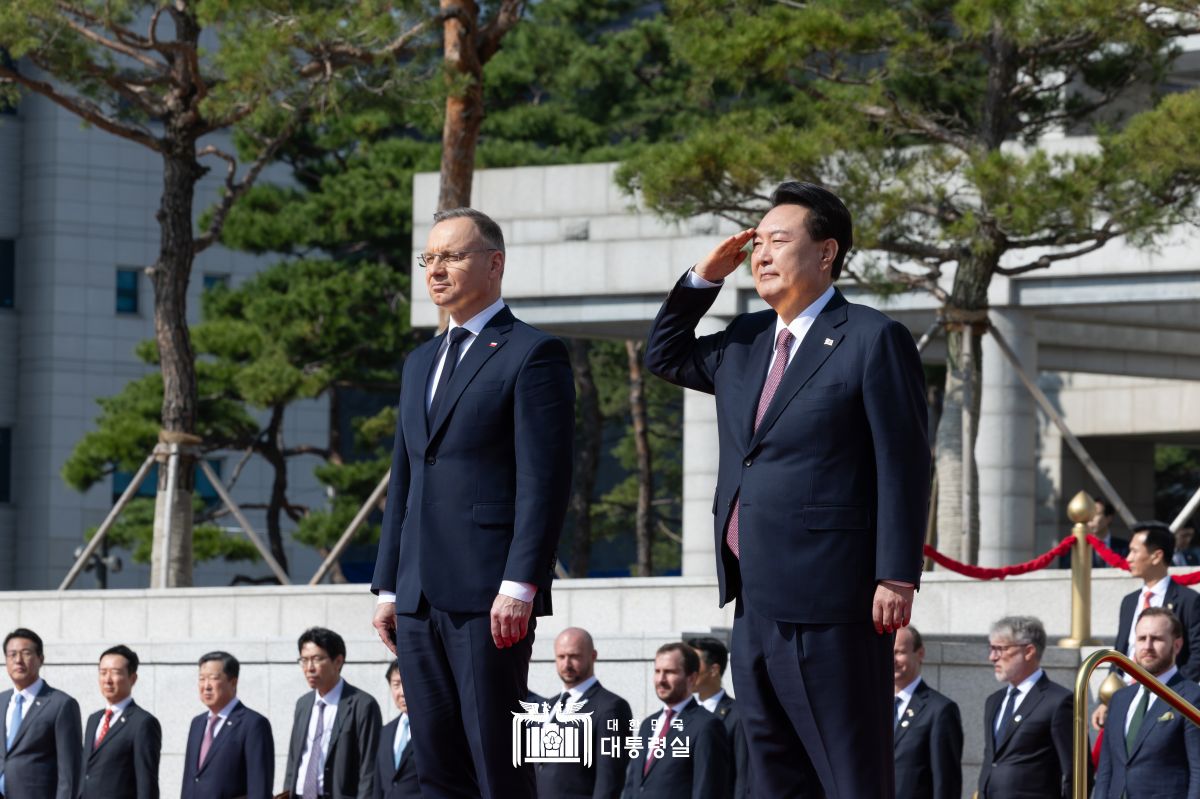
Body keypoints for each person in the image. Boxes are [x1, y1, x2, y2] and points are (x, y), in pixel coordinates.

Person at [644, 181, 929, 798]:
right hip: (755, 599)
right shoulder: (745, 342)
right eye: (757, 243)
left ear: (826, 254)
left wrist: (897, 574)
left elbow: (905, 462)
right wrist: (701, 278)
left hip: (835, 599)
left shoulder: (871, 338)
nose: (761, 254)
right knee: (773, 772)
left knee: (849, 772)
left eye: (779, 240)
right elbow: (663, 355)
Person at [370, 206, 575, 799]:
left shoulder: (533, 353)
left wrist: (521, 583)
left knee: (497, 764)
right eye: (429, 259)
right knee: (437, 769)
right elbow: (404, 477)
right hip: (417, 598)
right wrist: (388, 586)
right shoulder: (420, 362)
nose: (436, 270)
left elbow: (546, 481)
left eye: (452, 256)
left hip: (490, 596)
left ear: (495, 263)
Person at [1094, 522, 1200, 730]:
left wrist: (1170, 693)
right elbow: (1121, 653)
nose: (1128, 559)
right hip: (1127, 698)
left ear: (1156, 556)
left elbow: (1197, 655)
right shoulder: (1130, 602)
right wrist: (1105, 700)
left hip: (1168, 703)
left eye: (1134, 551)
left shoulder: (1188, 601)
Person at [1094, 608, 1200, 799]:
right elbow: (1106, 770)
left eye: (1157, 639)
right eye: (1142, 638)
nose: (1147, 646)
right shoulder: (1120, 698)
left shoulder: (1191, 697)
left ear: (1177, 645)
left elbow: (1198, 771)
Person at [977, 616, 1072, 799]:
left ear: (1028, 651)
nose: (992, 657)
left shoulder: (1058, 702)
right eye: (991, 648)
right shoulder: (994, 701)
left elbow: (1075, 771)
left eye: (1001, 649)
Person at [621, 643, 730, 799]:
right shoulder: (647, 725)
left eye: (669, 672)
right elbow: (633, 785)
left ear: (691, 678)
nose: (661, 679)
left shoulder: (706, 726)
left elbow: (707, 790)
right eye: (657, 671)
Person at [284, 627, 382, 799]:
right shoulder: (303, 704)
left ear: (338, 662)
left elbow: (370, 768)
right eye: (304, 660)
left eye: (317, 659)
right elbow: (294, 760)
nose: (309, 668)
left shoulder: (363, 705)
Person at [536, 627, 632, 799]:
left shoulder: (611, 707)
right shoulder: (548, 706)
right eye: (561, 657)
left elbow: (609, 781)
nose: (567, 664)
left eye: (574, 656)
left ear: (593, 656)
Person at [0, 628, 82, 799]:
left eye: (26, 653)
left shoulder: (61, 704)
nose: (18, 660)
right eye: (12, 654)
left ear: (40, 659)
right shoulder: (1, 701)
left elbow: (70, 772)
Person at [180, 651, 273, 799]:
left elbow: (259, 787)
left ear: (233, 682)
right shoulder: (197, 723)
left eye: (213, 678)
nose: (206, 686)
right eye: (201, 679)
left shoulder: (253, 724)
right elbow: (190, 781)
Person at [81, 644, 161, 799]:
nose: (108, 680)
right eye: (103, 673)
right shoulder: (94, 719)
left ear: (133, 678)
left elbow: (147, 783)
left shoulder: (143, 723)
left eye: (115, 673)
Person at [891, 627, 962, 799]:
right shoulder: (873, 707)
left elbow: (946, 782)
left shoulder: (940, 710)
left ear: (920, 653)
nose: (892, 659)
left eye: (899, 652)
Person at [686, 636, 748, 798]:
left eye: (693, 665)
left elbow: (743, 775)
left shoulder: (737, 715)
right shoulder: (683, 714)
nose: (687, 672)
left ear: (713, 670)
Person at [376, 663, 420, 799]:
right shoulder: (385, 731)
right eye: (396, 684)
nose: (402, 692)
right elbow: (378, 782)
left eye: (407, 683)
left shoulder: (433, 730)